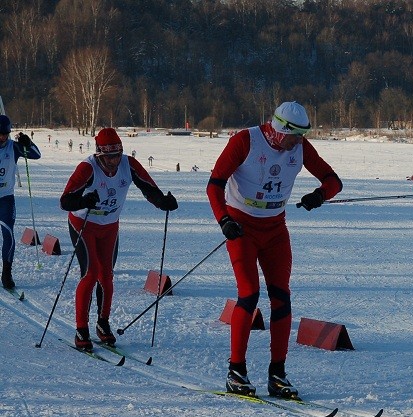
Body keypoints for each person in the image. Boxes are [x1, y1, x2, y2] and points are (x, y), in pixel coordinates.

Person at [207, 101, 343, 399]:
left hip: (275, 228)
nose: (298, 142)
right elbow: (214, 184)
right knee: (249, 294)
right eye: (295, 136)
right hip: (242, 227)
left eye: (302, 136)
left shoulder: (300, 148)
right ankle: (236, 371)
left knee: (281, 296)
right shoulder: (246, 141)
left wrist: (319, 195)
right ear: (280, 130)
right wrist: (224, 220)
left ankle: (277, 374)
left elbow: (334, 181)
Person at [59, 128, 177, 351]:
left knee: (107, 275)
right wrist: (84, 200)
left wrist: (163, 202)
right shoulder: (88, 168)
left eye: (117, 156)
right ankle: (81, 328)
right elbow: (65, 201)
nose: (113, 162)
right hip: (83, 224)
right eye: (108, 158)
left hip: (110, 226)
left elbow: (148, 187)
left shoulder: (128, 164)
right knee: (90, 272)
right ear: (99, 154)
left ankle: (103, 323)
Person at [0, 116, 42, 289]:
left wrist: (28, 142)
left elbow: (36, 155)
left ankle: (6, 273)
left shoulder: (13, 147)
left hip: (6, 199)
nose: (2, 137)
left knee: (8, 235)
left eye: (5, 134)